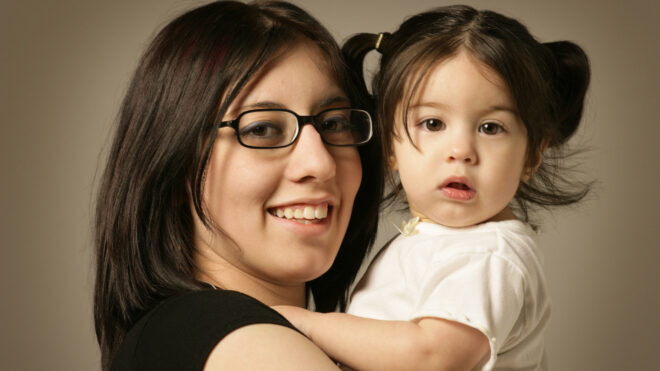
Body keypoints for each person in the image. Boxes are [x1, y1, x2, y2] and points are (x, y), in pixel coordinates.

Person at [273, 5, 591, 370]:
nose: (460, 152)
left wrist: (304, 323)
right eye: (433, 123)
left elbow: (432, 358)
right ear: (391, 146)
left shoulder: (489, 255)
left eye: (490, 128)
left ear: (532, 155)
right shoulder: (435, 242)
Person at [93, 1, 383, 370]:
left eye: (333, 123)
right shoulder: (240, 344)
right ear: (175, 162)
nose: (320, 163)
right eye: (261, 129)